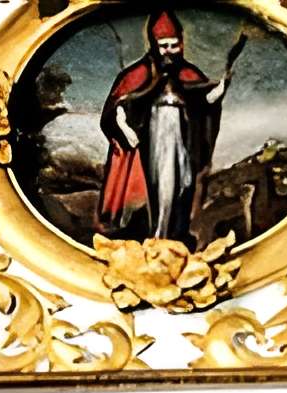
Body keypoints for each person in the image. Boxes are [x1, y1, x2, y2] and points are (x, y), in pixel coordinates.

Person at [96, 10, 238, 245]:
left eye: (174, 45)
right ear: (154, 45)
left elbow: (204, 101)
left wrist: (221, 88)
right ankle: (151, 231)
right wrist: (126, 128)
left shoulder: (188, 73)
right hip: (154, 142)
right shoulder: (139, 73)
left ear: (181, 44)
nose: (169, 51)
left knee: (183, 184)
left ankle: (177, 232)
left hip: (182, 142)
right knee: (156, 186)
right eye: (163, 46)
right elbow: (120, 106)